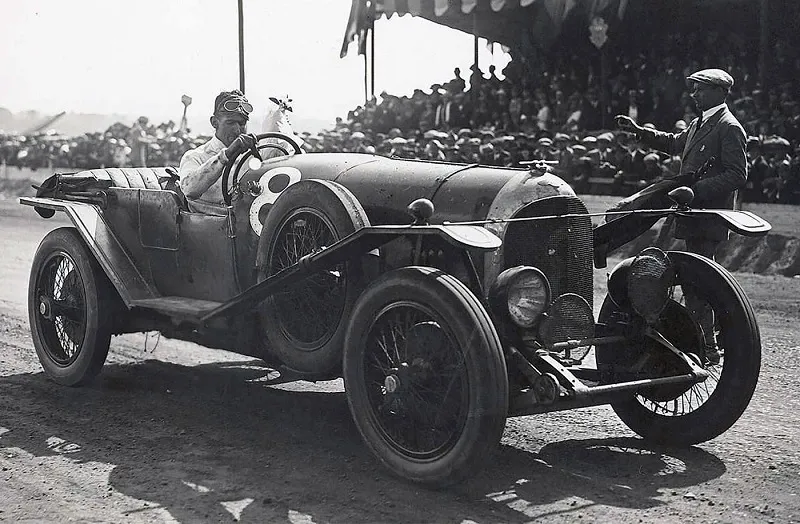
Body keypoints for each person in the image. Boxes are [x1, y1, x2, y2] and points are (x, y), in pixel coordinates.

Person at [615, 68, 748, 364]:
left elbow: (737, 174)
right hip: (692, 215)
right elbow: (674, 142)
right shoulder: (702, 122)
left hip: (707, 216)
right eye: (694, 88)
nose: (694, 94)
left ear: (718, 91)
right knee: (695, 282)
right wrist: (639, 131)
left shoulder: (728, 127)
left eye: (700, 89)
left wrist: (696, 191)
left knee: (700, 282)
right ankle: (705, 343)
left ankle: (708, 347)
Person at [178, 90, 257, 213]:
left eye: (242, 123)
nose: (237, 130)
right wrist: (226, 155)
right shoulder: (195, 157)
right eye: (230, 123)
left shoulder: (252, 158)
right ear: (215, 122)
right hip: (208, 228)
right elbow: (189, 189)